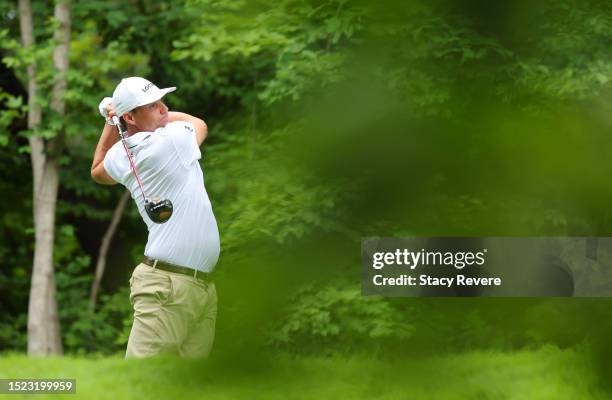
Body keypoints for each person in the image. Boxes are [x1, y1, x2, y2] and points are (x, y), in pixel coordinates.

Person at [90, 77, 220, 358]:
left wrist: (113, 123)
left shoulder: (124, 154)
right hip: (168, 287)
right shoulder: (171, 140)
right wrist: (120, 118)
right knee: (144, 383)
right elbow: (200, 124)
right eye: (151, 105)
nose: (163, 109)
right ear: (131, 116)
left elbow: (98, 169)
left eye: (161, 101)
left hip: (198, 288)